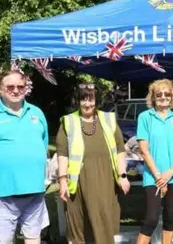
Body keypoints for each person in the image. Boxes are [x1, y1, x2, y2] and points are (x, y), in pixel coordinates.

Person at [0, 70, 49, 244]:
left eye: (20, 86)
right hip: (3, 192)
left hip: (35, 190)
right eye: (10, 86)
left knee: (34, 237)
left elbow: (43, 146)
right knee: (4, 240)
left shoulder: (37, 113)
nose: (15, 90)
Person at [56, 83, 130, 244]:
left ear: (97, 100)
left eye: (91, 99)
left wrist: (123, 175)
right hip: (79, 183)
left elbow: (120, 149)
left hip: (105, 181)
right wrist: (62, 181)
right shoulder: (68, 122)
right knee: (80, 227)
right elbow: (62, 154)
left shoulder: (108, 120)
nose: (87, 104)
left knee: (103, 223)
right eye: (83, 99)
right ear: (78, 100)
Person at [136, 79, 173, 244]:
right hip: (153, 177)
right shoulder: (145, 117)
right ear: (153, 96)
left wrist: (169, 174)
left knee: (170, 217)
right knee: (151, 218)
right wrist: (159, 176)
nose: (163, 97)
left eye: (167, 93)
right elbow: (144, 150)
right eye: (159, 94)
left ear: (172, 96)